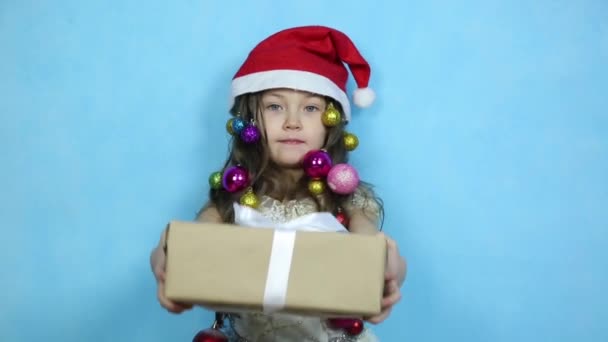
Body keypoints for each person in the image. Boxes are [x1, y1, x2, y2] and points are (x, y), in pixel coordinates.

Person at [150, 25, 407, 341]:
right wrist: (165, 258)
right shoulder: (234, 195)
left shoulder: (350, 198)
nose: (292, 121)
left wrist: (388, 268)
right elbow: (190, 243)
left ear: (332, 123)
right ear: (251, 119)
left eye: (311, 108)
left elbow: (373, 248)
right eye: (274, 106)